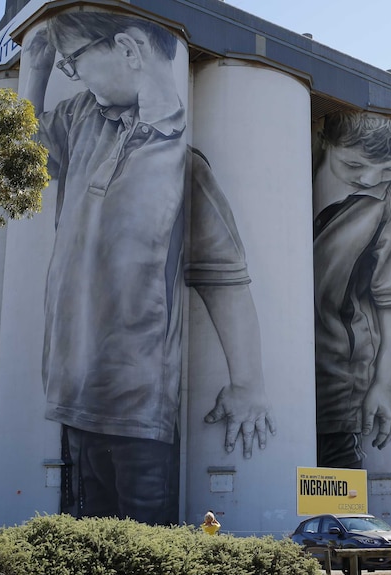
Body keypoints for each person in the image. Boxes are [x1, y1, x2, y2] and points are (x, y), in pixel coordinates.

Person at [23, 11, 275, 525]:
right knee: (93, 541)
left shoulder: (183, 162)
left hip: (139, 411)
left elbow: (223, 278)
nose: (74, 77)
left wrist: (248, 385)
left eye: (74, 63)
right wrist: (37, 71)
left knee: (142, 537)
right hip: (74, 395)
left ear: (129, 50)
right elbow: (16, 156)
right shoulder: (81, 119)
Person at [312, 111, 391, 469]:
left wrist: (386, 383)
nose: (370, 179)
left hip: (339, 387)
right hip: (276, 373)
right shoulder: (289, 150)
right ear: (325, 138)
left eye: (389, 169)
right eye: (354, 164)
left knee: (338, 499)